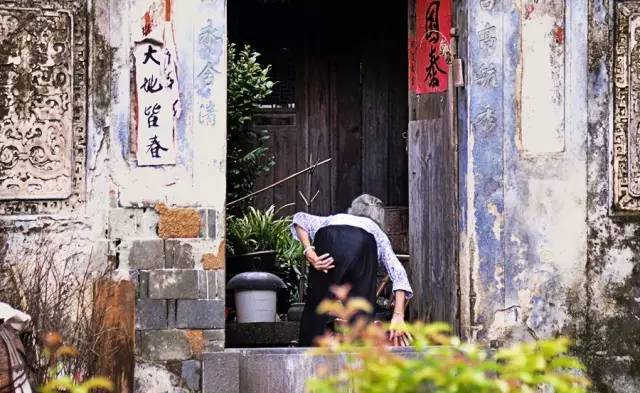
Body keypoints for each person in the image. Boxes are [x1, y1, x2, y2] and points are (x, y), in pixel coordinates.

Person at [291, 194, 413, 347]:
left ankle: (307, 353)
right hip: (363, 244)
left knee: (317, 309)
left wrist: (309, 251)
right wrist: (398, 316)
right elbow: (398, 272)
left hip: (327, 240)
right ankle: (359, 356)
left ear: (353, 210)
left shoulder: (333, 218)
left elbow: (299, 219)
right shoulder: (377, 232)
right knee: (360, 311)